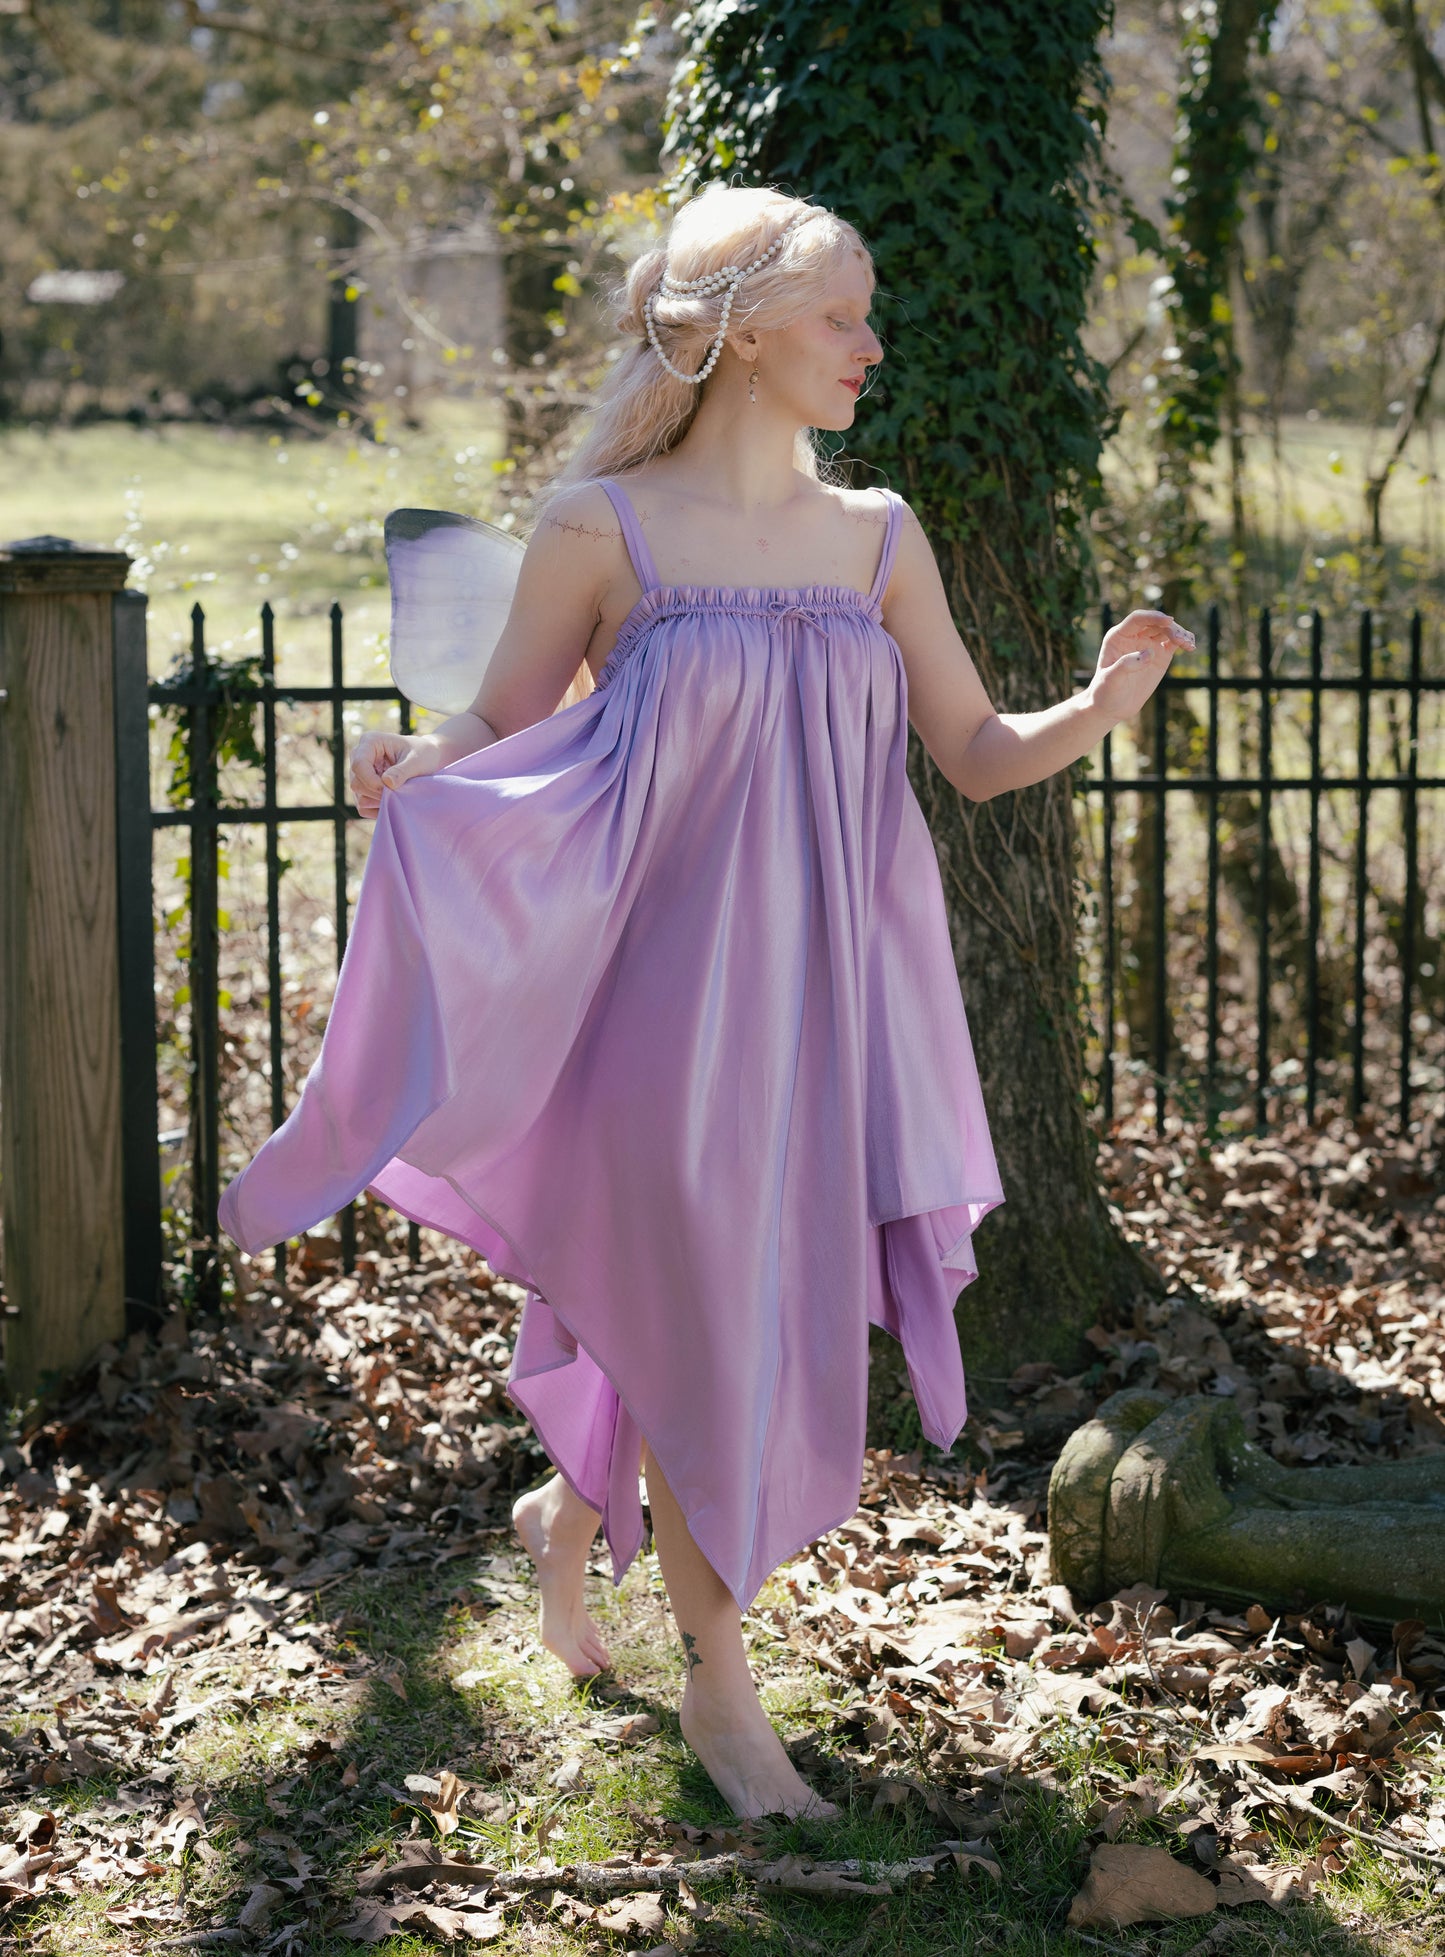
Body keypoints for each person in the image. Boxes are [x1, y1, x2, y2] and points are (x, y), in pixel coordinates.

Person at [221, 183, 1191, 1823]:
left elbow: (972, 752)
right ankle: (722, 1688)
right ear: (740, 335)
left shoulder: (876, 534)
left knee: (733, 1300)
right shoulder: (602, 527)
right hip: (644, 1001)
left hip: (816, 1009)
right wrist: (416, 756)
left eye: (866, 316)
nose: (869, 346)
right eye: (839, 317)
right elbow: (499, 720)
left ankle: (566, 1513)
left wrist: (1097, 705)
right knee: (698, 1296)